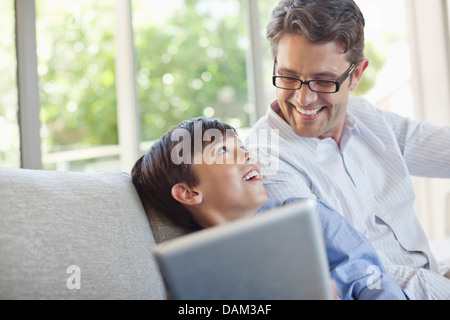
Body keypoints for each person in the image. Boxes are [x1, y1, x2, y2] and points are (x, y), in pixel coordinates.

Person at [246, 0, 450, 299]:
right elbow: (349, 269)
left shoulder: (369, 118)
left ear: (356, 75)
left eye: (324, 81)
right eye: (289, 76)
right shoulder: (264, 160)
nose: (304, 99)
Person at [131, 117, 408, 300]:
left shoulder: (307, 215)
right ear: (189, 192)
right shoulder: (196, 271)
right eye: (224, 151)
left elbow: (370, 275)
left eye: (241, 146)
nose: (247, 154)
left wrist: (334, 289)